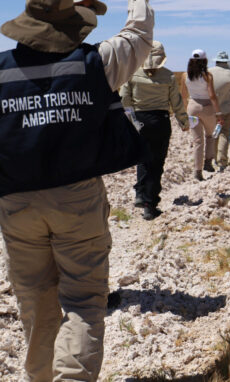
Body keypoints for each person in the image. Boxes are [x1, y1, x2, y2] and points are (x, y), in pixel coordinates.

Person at [0, 0, 153, 380]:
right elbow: (138, 36)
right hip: (77, 200)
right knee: (83, 302)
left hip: (17, 203)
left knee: (35, 303)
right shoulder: (96, 63)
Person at [120, 41, 189, 220]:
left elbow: (124, 100)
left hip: (139, 121)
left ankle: (141, 194)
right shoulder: (168, 76)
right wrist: (183, 121)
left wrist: (130, 120)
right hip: (160, 122)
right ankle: (150, 204)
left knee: (142, 159)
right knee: (157, 163)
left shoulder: (132, 74)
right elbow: (177, 102)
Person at [180, 49, 225, 181]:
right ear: (205, 61)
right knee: (210, 136)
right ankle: (208, 163)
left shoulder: (184, 75)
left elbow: (183, 95)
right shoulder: (207, 76)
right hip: (207, 109)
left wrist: (184, 112)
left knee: (197, 141)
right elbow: (212, 96)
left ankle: (197, 171)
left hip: (192, 108)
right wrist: (219, 113)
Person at [209, 51, 230, 170]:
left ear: (216, 61)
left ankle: (212, 159)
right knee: (224, 133)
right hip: (226, 109)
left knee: (213, 133)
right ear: (226, 61)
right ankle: (222, 161)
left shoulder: (208, 72)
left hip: (211, 109)